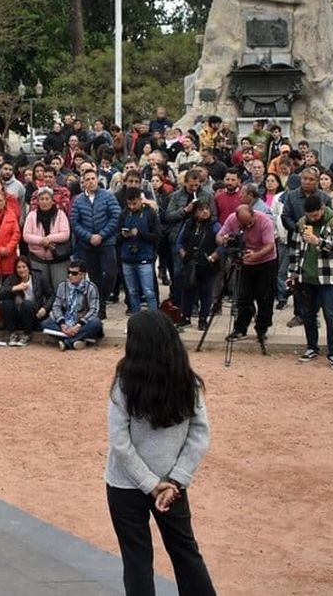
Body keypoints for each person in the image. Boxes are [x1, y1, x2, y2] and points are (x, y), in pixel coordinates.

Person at [106, 310, 215, 596]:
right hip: (172, 486)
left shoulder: (124, 383)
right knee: (186, 554)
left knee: (137, 561)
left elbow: (120, 442)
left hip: (127, 484)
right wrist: (176, 480)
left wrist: (151, 484)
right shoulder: (188, 383)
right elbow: (199, 434)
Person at [286, 195, 333, 370]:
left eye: (314, 215)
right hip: (307, 278)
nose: (311, 219)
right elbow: (295, 249)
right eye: (309, 216)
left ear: (321, 209)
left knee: (331, 316)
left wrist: (318, 242)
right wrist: (293, 273)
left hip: (328, 278)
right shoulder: (302, 223)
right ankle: (312, 347)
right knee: (308, 315)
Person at [215, 203, 276, 346]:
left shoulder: (265, 221)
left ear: (253, 215)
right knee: (244, 297)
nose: (247, 226)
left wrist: (256, 255)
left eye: (249, 222)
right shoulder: (232, 219)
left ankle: (262, 328)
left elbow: (270, 245)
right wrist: (223, 240)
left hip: (265, 261)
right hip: (244, 262)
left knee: (265, 297)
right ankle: (240, 328)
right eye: (243, 224)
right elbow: (219, 236)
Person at [71, 169, 121, 320]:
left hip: (106, 242)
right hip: (87, 245)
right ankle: (100, 307)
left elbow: (115, 216)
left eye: (93, 178)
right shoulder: (78, 200)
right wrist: (89, 236)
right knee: (94, 277)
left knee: (111, 274)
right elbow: (74, 222)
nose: (91, 181)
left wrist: (102, 235)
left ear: (97, 179)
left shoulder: (108, 196)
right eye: (87, 179)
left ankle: (103, 298)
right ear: (83, 182)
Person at [175, 201, 220, 328]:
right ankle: (186, 317)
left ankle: (203, 319)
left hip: (207, 265)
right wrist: (183, 253)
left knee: (206, 292)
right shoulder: (189, 224)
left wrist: (213, 256)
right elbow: (179, 242)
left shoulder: (214, 226)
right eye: (201, 209)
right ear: (195, 212)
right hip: (191, 264)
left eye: (207, 209)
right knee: (188, 290)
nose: (205, 212)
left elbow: (222, 244)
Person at [41, 260, 105, 350]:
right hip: (66, 319)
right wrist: (62, 324)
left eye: (74, 273)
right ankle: (79, 339)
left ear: (82, 275)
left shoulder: (91, 287)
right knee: (45, 324)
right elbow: (56, 307)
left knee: (96, 323)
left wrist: (78, 326)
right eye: (69, 272)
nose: (70, 275)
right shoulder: (62, 286)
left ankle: (67, 342)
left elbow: (94, 310)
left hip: (82, 320)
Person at [117, 186, 162, 314]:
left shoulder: (150, 213)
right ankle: (136, 319)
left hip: (145, 258)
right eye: (129, 204)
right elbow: (116, 237)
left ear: (140, 200)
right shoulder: (124, 214)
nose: (132, 206)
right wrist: (123, 235)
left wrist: (141, 233)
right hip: (127, 258)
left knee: (148, 291)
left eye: (134, 203)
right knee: (132, 291)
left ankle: (154, 318)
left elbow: (157, 236)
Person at [0, 257, 49, 347]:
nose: (21, 270)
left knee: (27, 304)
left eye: (24, 267)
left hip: (34, 315)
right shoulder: (11, 279)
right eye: (19, 267)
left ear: (29, 268)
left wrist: (45, 308)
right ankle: (12, 334)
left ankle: (27, 335)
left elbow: (51, 295)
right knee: (6, 303)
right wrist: (15, 288)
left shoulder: (39, 278)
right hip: (17, 315)